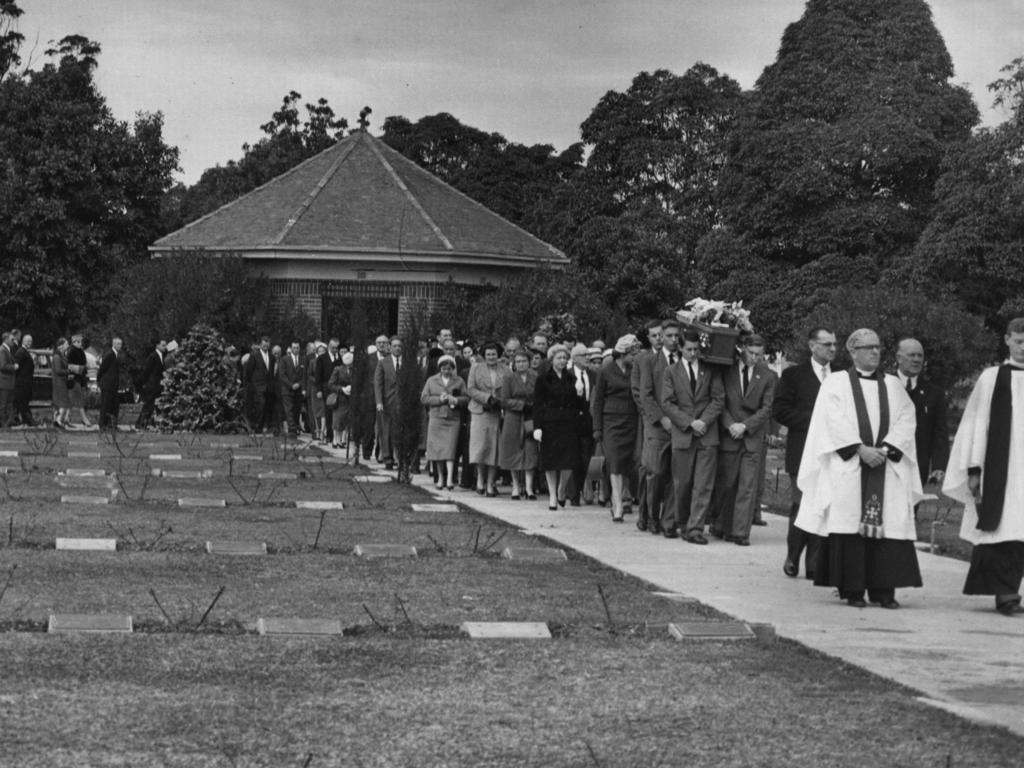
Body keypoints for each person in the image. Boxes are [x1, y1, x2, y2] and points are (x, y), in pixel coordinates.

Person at [795, 328, 922, 609]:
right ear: (853, 352)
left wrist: (886, 449)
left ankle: (883, 591)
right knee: (850, 526)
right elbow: (832, 420)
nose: (875, 352)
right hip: (851, 465)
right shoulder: (836, 384)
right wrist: (860, 449)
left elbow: (906, 418)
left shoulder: (892, 385)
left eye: (877, 347)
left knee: (888, 527)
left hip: (885, 466)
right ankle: (853, 590)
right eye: (867, 348)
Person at [943, 317, 1024, 616]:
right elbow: (976, 424)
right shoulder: (992, 377)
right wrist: (974, 469)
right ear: (1007, 340)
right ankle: (1005, 594)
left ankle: (1011, 591)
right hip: (999, 469)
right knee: (1002, 529)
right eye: (1019, 341)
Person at [773, 327, 838, 578]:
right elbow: (780, 410)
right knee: (802, 504)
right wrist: (814, 420)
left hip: (832, 452)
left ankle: (815, 562)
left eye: (834, 344)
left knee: (824, 506)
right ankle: (793, 555)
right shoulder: (793, 376)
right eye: (826, 344)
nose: (832, 349)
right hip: (802, 450)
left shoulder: (841, 376)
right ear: (812, 346)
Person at [709, 334, 777, 546]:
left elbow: (767, 408)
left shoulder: (768, 376)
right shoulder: (726, 371)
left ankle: (740, 532)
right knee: (726, 484)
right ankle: (720, 525)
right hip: (729, 436)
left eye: (759, 354)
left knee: (747, 486)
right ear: (742, 349)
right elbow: (719, 402)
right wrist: (730, 425)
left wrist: (745, 426)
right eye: (751, 353)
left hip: (751, 438)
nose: (754, 358)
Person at [660, 329, 724, 543]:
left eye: (696, 349)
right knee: (682, 483)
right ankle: (682, 523)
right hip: (684, 435)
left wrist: (703, 421)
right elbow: (667, 402)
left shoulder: (710, 370)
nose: (693, 353)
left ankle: (695, 528)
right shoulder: (671, 372)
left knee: (703, 484)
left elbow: (718, 399)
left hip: (707, 435)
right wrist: (689, 423)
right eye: (688, 349)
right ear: (680, 348)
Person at [635, 319, 679, 535]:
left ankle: (667, 520)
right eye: (667, 335)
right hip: (656, 424)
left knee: (673, 475)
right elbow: (645, 394)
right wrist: (661, 419)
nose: (670, 339)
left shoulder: (682, 360)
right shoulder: (648, 361)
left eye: (674, 336)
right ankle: (649, 516)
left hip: (678, 425)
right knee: (655, 471)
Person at [592, 335, 640, 522]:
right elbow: (598, 401)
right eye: (632, 353)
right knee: (614, 461)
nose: (635, 357)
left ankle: (619, 497)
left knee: (627, 462)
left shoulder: (634, 370)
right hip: (611, 421)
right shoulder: (605, 370)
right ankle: (618, 504)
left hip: (631, 419)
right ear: (623, 352)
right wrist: (597, 427)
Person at [534, 344, 586, 510]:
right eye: (559, 358)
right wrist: (537, 427)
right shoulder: (543, 379)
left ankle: (562, 488)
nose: (562, 361)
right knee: (550, 461)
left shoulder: (572, 378)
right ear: (552, 359)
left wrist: (579, 394)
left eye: (565, 358)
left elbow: (578, 405)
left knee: (568, 461)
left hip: (569, 423)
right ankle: (552, 495)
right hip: (550, 422)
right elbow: (538, 404)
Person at [895, 338, 949, 488]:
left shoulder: (934, 393)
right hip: (888, 463)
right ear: (899, 357)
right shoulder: (884, 385)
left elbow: (940, 432)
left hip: (918, 466)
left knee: (912, 510)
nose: (917, 360)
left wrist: (939, 465)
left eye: (920, 356)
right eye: (912, 355)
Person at [630, 320, 663, 532]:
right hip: (650, 420)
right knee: (649, 467)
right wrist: (651, 416)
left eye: (661, 334)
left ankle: (655, 514)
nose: (659, 339)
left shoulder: (673, 356)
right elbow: (637, 391)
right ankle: (646, 513)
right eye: (654, 335)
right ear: (648, 338)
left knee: (658, 470)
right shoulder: (643, 358)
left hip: (671, 419)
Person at [420, 354, 468, 489]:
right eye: (444, 369)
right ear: (440, 368)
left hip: (453, 419)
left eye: (449, 369)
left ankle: (450, 479)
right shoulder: (431, 380)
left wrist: (456, 400)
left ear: (453, 368)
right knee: (438, 451)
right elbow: (424, 398)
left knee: (450, 450)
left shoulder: (459, 381)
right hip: (436, 419)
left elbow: (466, 398)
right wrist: (438, 400)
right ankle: (440, 478)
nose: (446, 371)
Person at [466, 342, 506, 496]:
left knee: (494, 448)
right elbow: (470, 389)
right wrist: (487, 398)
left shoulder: (505, 370)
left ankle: (490, 483)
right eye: (488, 354)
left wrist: (498, 401)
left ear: (498, 355)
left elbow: (507, 390)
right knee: (480, 448)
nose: (491, 357)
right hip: (479, 411)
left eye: (494, 354)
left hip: (496, 413)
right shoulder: (475, 368)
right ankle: (480, 480)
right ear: (484, 355)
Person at [499, 349, 539, 500]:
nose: (521, 364)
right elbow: (504, 400)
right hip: (513, 417)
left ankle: (529, 488)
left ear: (529, 362)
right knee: (513, 450)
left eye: (524, 361)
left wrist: (532, 406)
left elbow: (540, 396)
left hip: (530, 417)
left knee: (530, 450)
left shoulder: (535, 377)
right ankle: (515, 486)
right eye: (518, 362)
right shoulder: (509, 378)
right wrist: (521, 405)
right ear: (514, 364)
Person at [568, 343, 596, 506]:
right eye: (584, 355)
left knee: (586, 457)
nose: (587, 358)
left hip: (588, 419)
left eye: (588, 355)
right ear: (575, 358)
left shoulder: (593, 375)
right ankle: (573, 494)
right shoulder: (568, 374)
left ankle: (579, 488)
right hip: (572, 420)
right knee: (573, 457)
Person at [374, 336, 402, 470]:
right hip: (387, 402)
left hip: (401, 402)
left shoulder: (406, 363)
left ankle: (399, 457)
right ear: (390, 347)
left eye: (399, 346)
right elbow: (378, 383)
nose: (397, 348)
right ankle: (387, 457)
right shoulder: (383, 363)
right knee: (387, 431)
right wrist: (379, 401)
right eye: (395, 346)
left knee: (399, 431)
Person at [242, 336, 275, 432]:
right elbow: (249, 372)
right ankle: (256, 426)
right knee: (260, 405)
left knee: (266, 407)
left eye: (267, 344)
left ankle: (263, 426)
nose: (266, 346)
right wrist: (251, 386)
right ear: (260, 345)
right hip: (257, 387)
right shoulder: (254, 356)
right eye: (264, 344)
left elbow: (271, 373)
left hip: (268, 387)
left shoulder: (272, 357)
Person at [135, 339, 167, 430]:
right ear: (157, 346)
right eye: (163, 345)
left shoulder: (161, 356)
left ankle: (148, 423)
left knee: (153, 405)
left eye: (165, 345)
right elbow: (147, 371)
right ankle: (140, 423)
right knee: (148, 405)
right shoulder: (153, 356)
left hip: (157, 385)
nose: (164, 347)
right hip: (152, 385)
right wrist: (144, 383)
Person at [278, 340, 306, 436]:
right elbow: (282, 375)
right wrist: (291, 385)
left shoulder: (303, 359)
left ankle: (296, 426)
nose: (296, 349)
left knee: (297, 409)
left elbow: (304, 375)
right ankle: (292, 429)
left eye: (297, 348)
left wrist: (299, 384)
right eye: (294, 347)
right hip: (287, 389)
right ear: (291, 348)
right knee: (288, 409)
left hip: (298, 390)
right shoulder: (284, 359)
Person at [327, 351, 353, 448]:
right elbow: (330, 384)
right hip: (340, 398)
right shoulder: (338, 369)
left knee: (346, 420)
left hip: (350, 398)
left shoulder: (355, 370)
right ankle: (335, 440)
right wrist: (342, 389)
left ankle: (343, 440)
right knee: (337, 419)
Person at [97, 337, 123, 430]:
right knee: (105, 404)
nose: (120, 346)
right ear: (114, 344)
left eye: (121, 344)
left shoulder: (116, 355)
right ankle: (102, 424)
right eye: (119, 344)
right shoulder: (109, 354)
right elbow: (102, 368)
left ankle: (111, 424)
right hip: (107, 384)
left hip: (113, 384)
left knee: (114, 404)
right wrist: (98, 380)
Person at [66, 334, 91, 428]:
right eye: (79, 341)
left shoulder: (81, 352)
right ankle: (84, 418)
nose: (81, 343)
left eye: (81, 341)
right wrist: (82, 368)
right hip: (74, 378)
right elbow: (69, 366)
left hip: (81, 378)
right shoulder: (71, 352)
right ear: (74, 342)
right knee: (79, 398)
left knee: (72, 400)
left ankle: (66, 418)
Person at [12, 333, 34, 427]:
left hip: (25, 381)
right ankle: (28, 421)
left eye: (31, 341)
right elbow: (16, 366)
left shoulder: (25, 351)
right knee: (23, 402)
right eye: (28, 341)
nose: (30, 343)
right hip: (22, 382)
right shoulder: (21, 352)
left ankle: (25, 420)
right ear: (23, 341)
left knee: (23, 402)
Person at [51, 337, 71, 429]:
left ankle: (56, 420)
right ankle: (58, 420)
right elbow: (58, 370)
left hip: (63, 380)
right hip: (59, 381)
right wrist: (68, 371)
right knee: (62, 401)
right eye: (66, 343)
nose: (68, 345)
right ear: (61, 345)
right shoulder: (57, 356)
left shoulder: (62, 355)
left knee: (61, 401)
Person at [0, 331, 16, 428]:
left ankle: (8, 422)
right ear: (6, 339)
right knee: (3, 404)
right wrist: (14, 367)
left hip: (8, 382)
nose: (13, 341)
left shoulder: (7, 350)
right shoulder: (2, 350)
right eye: (12, 339)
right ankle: (3, 423)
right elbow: (2, 366)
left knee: (8, 403)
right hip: (4, 382)